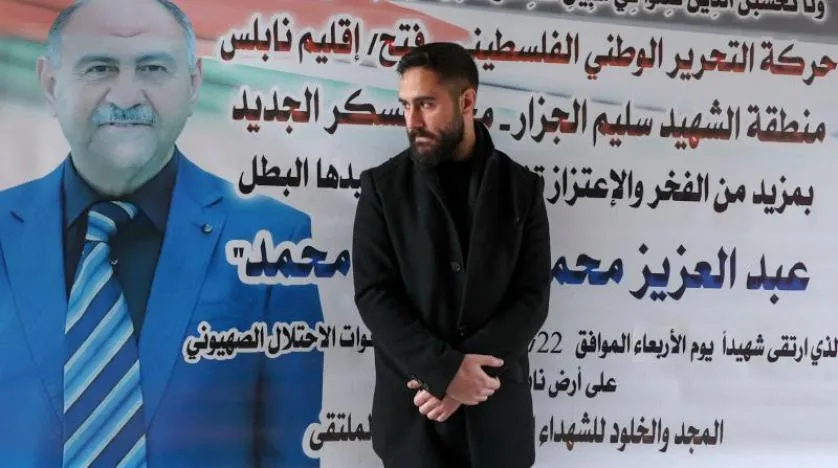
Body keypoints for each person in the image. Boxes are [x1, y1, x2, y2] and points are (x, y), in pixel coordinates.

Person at [0, 0, 323, 466]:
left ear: (193, 84)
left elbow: (290, 453)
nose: (126, 97)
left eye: (153, 68)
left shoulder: (274, 240)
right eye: (99, 68)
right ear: (50, 84)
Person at [352, 42, 552, 468]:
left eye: (426, 104)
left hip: (497, 421)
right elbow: (374, 294)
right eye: (405, 105)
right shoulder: (382, 189)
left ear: (466, 102)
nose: (411, 121)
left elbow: (532, 297)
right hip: (414, 419)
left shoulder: (522, 189)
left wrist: (467, 379)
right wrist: (444, 372)